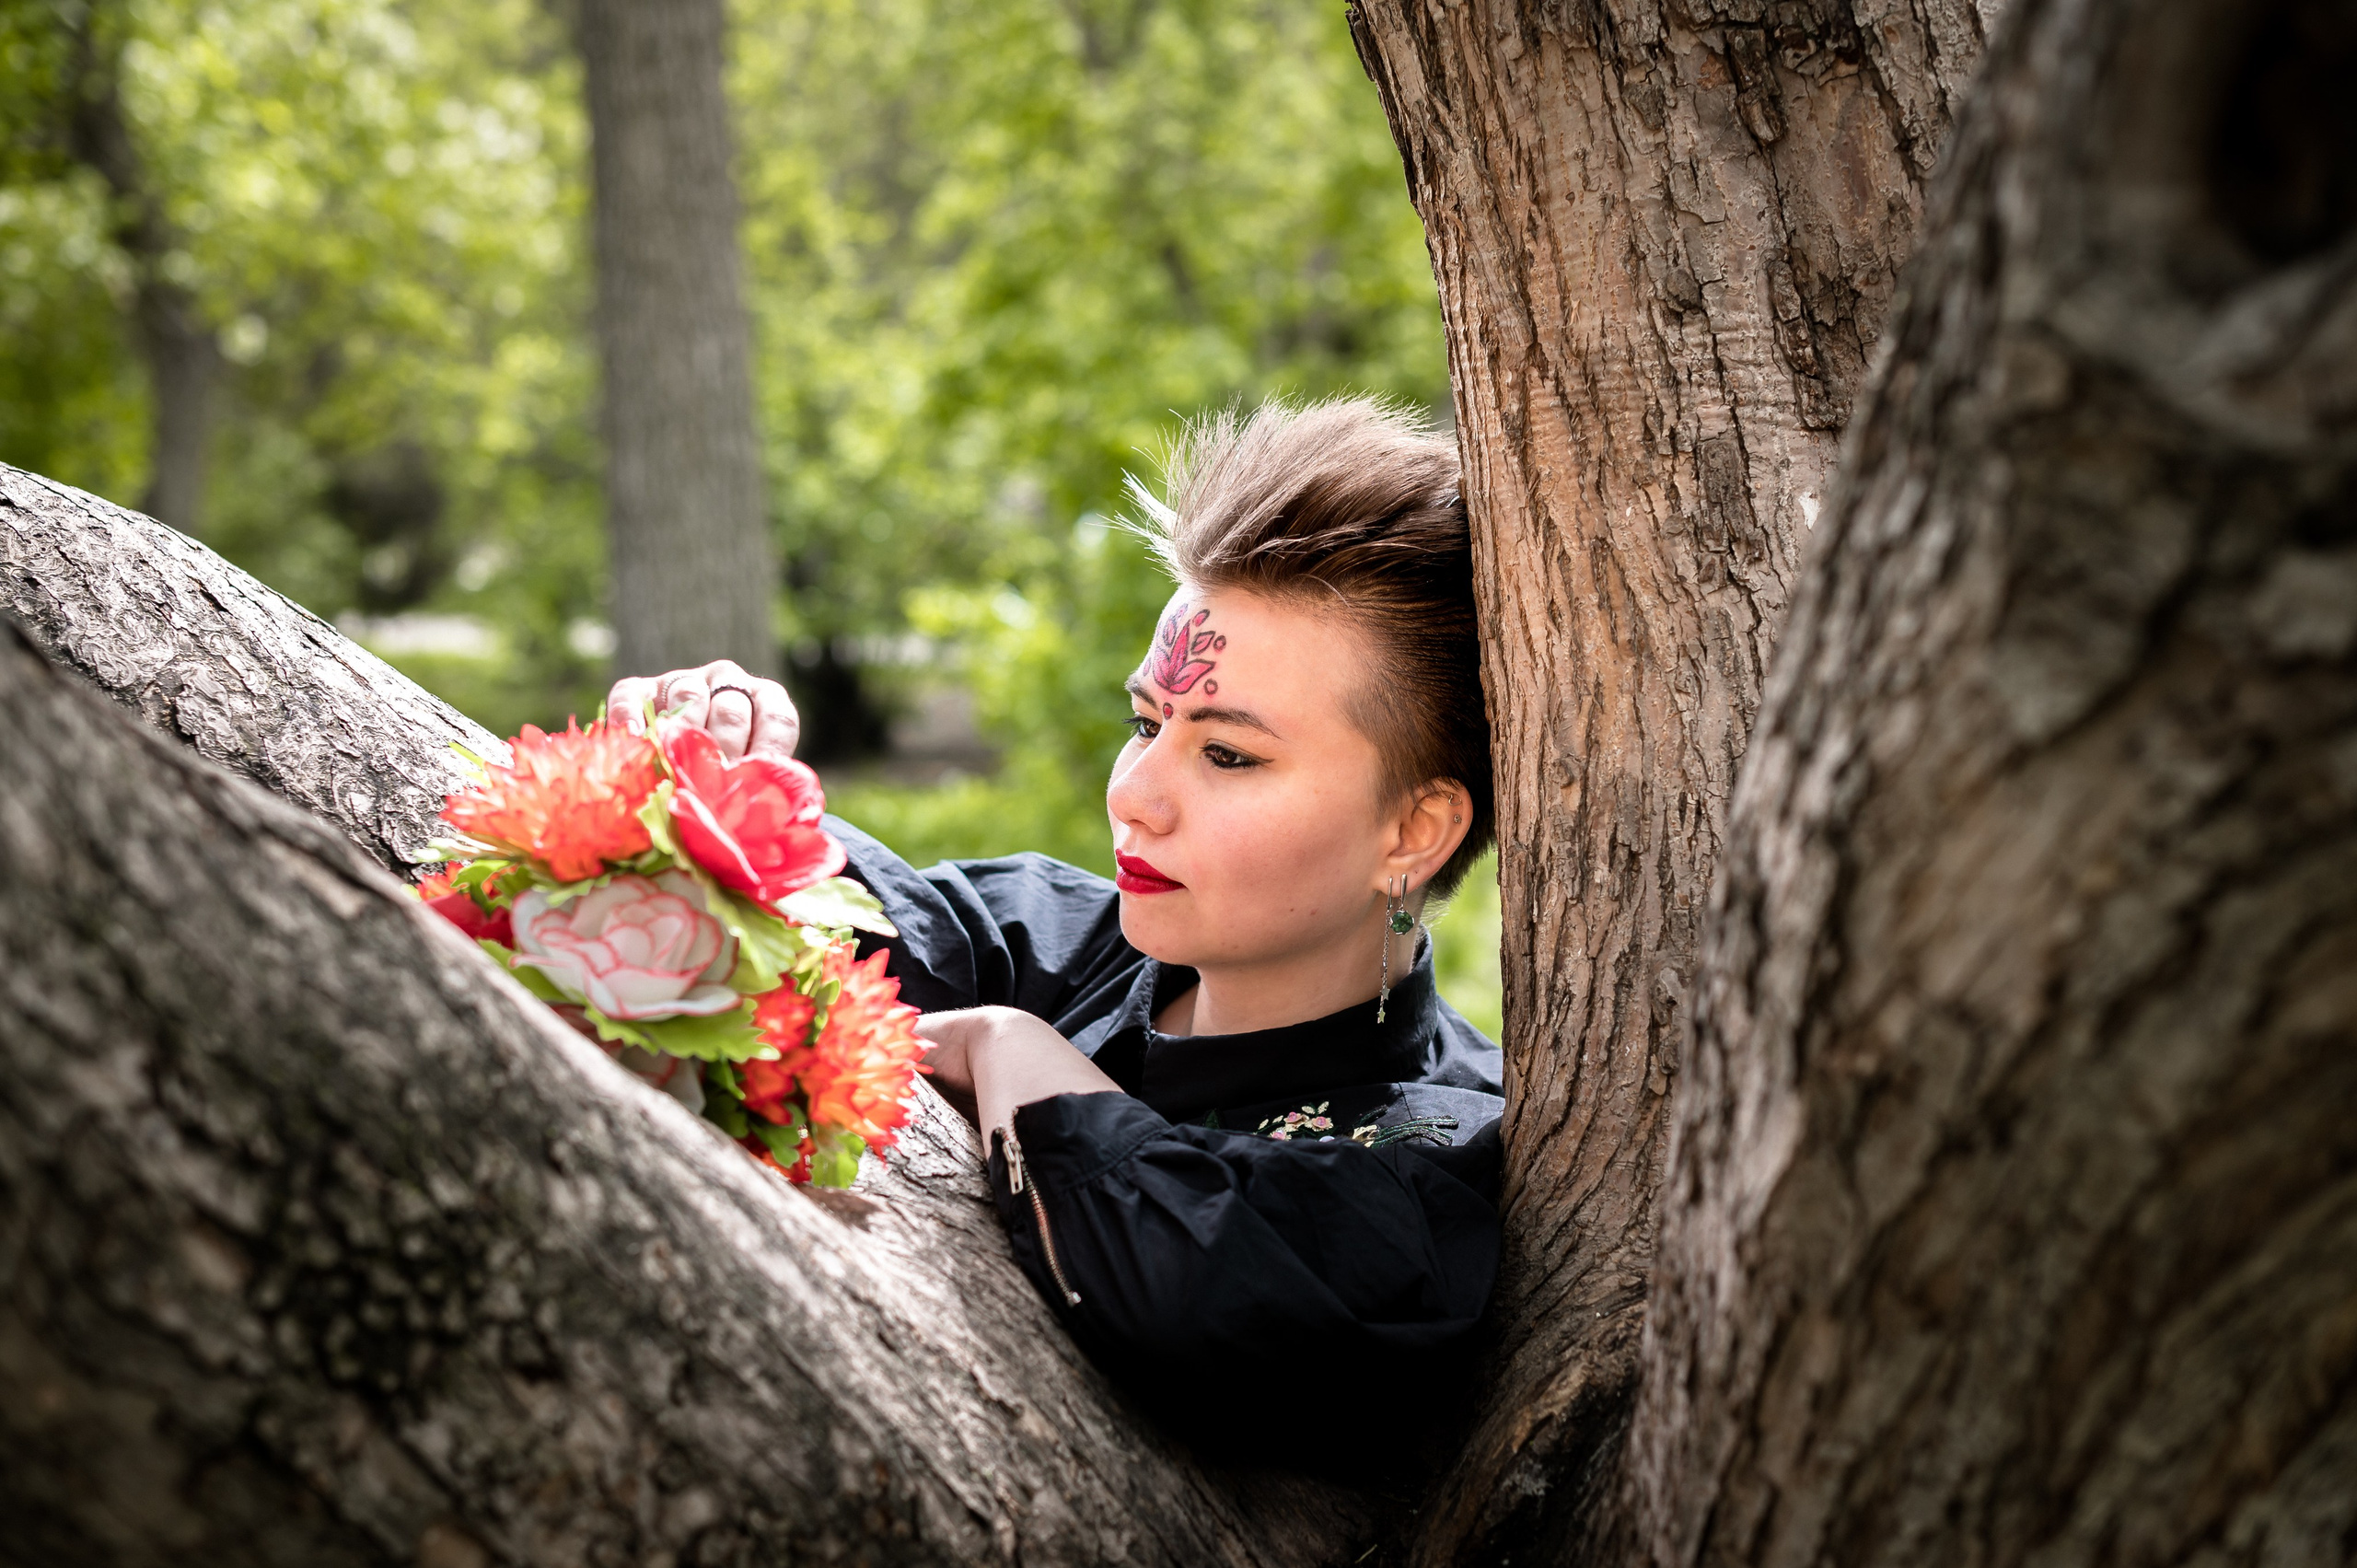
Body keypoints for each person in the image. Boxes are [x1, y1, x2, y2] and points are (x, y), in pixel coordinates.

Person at [610, 399, 1502, 1458]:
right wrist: (711, 768)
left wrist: (1010, 1047)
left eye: (1226, 755)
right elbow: (800, 915)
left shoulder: (1440, 1146)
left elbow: (1193, 1279)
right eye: (1145, 723)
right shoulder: (1049, 937)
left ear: (1414, 827)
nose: (1134, 794)